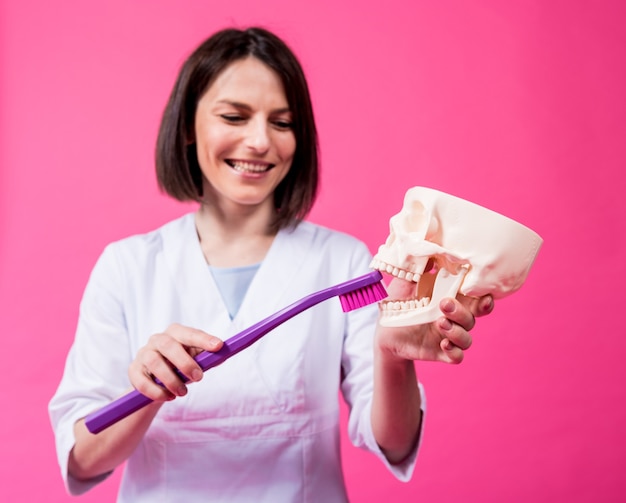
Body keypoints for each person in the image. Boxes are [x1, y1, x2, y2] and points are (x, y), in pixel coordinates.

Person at [49, 27, 494, 502]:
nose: (260, 141)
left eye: (282, 123)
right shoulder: (127, 267)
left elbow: (394, 440)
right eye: (234, 116)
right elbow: (82, 456)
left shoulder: (341, 262)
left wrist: (393, 357)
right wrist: (148, 393)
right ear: (186, 128)